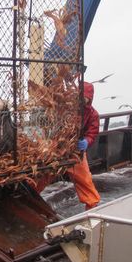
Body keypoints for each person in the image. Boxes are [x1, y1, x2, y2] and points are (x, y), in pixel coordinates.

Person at [33, 81, 100, 210]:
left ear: (89, 99)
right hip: (56, 149)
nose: (81, 101)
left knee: (85, 180)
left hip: (75, 152)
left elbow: (92, 133)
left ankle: (92, 207)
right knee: (42, 175)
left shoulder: (92, 114)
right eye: (79, 98)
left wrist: (86, 141)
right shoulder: (64, 107)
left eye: (85, 99)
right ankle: (30, 198)